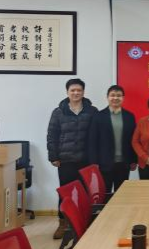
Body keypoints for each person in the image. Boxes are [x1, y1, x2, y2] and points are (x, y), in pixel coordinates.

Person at [47, 78, 98, 239]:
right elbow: (52, 135)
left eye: (79, 90)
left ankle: (84, 222)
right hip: (66, 159)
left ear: (83, 92)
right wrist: (53, 156)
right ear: (67, 92)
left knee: (86, 193)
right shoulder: (58, 112)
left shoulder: (92, 111)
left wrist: (95, 158)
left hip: (85, 159)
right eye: (73, 90)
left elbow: (96, 136)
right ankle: (63, 223)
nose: (76, 93)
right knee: (65, 193)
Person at [88, 85, 137, 194]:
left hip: (124, 163)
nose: (115, 98)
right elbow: (92, 141)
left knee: (122, 194)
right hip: (104, 163)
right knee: (105, 194)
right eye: (112, 95)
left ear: (123, 98)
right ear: (107, 97)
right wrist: (94, 162)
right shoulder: (98, 116)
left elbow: (133, 140)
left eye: (119, 95)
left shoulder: (129, 116)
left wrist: (134, 160)